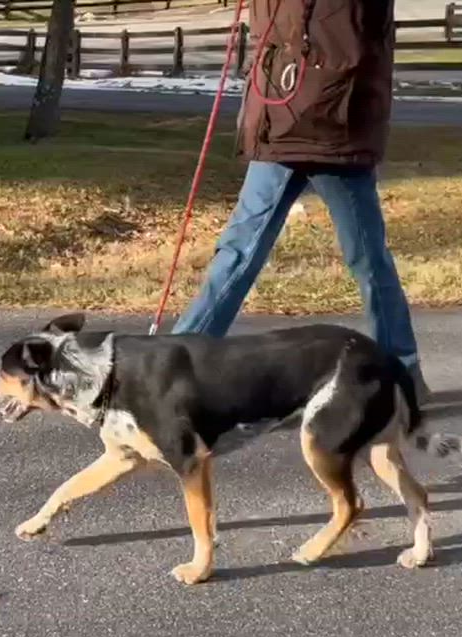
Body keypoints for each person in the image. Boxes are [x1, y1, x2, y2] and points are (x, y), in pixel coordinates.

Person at [171, 0, 429, 399]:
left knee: (366, 258)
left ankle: (402, 370)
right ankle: (173, 363)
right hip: (279, 127)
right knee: (240, 251)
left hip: (336, 131)